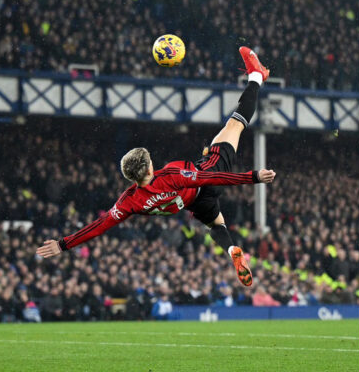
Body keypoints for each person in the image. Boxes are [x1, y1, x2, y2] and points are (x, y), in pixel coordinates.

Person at [35, 47, 276, 287]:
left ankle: (231, 248)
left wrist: (63, 244)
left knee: (216, 224)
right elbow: (209, 179)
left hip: (194, 203)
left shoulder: (130, 201)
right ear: (150, 168)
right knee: (236, 124)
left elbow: (99, 226)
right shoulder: (170, 174)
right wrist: (253, 177)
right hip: (207, 177)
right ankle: (256, 75)